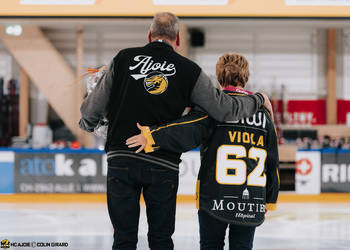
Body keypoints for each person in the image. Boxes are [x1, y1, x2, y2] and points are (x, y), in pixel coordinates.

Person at [79, 12, 273, 250]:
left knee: (123, 238)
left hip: (122, 159)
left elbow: (91, 111)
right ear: (178, 38)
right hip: (162, 165)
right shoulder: (189, 70)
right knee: (160, 239)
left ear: (149, 35)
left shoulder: (122, 58)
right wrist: (259, 99)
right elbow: (225, 110)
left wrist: (91, 125)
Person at [127, 53, 280, 250]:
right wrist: (269, 199)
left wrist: (151, 136)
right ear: (246, 76)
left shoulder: (214, 106)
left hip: (214, 197)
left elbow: (185, 129)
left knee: (210, 246)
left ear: (218, 76)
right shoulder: (263, 113)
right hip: (251, 200)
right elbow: (272, 161)